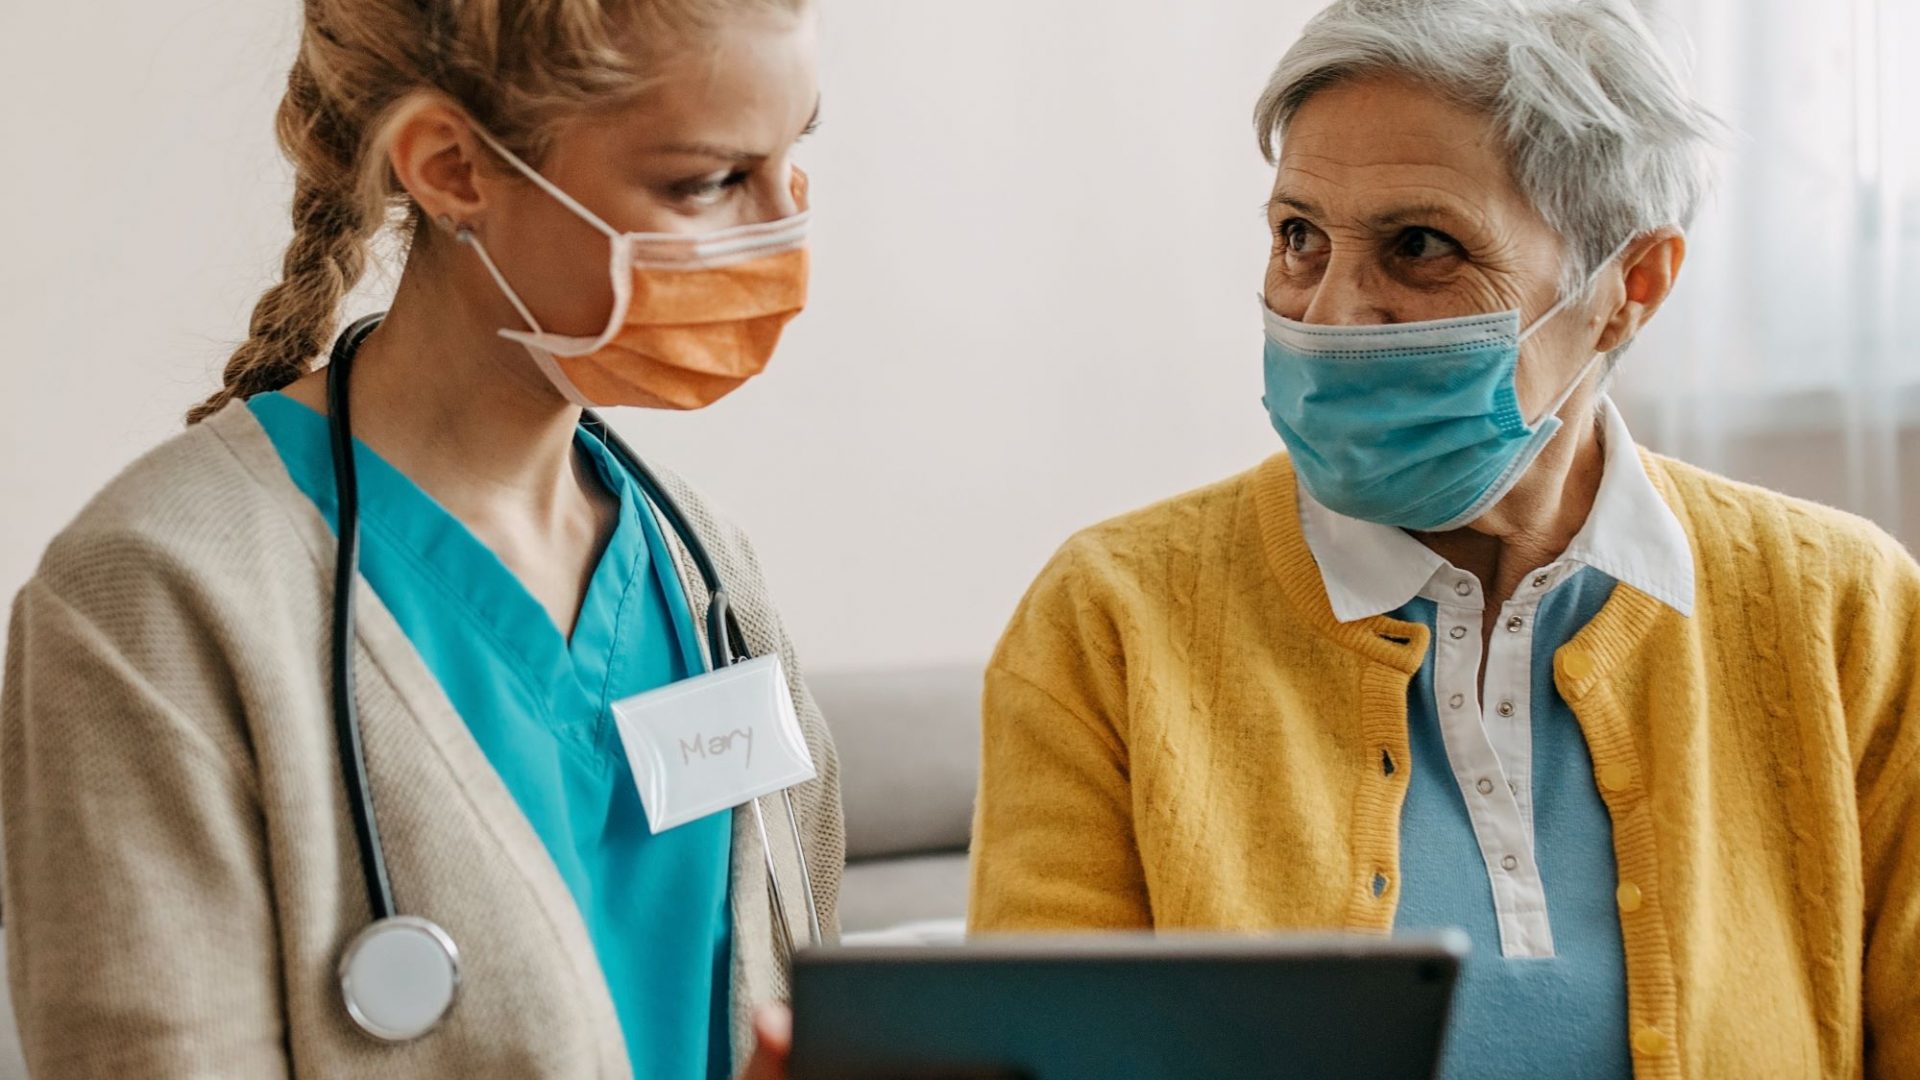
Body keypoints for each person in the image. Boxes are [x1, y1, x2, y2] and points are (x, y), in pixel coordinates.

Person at [968, 0, 1918, 1076]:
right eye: (1299, 238)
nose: (1329, 314)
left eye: (1420, 247)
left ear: (1628, 290)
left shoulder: (1850, 613)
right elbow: (1039, 1058)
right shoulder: (1113, 616)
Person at [0, 1, 840, 1076]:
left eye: (792, 157)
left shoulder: (709, 573)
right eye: (709, 182)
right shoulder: (157, 595)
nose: (783, 233)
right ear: (451, 168)